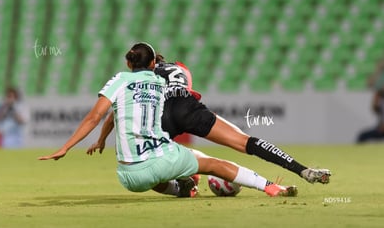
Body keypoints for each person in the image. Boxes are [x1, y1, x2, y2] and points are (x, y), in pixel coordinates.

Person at [39, 43, 297, 198]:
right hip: (162, 159)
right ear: (154, 63)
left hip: (129, 177)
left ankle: (182, 189)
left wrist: (68, 147)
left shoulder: (119, 82)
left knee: (151, 175)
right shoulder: (158, 80)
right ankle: (270, 186)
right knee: (212, 164)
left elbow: (98, 116)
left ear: (128, 63)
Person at [90, 54, 331, 185]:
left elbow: (115, 112)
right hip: (187, 106)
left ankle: (183, 184)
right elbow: (187, 88)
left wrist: (101, 139)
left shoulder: (141, 78)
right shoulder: (180, 67)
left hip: (161, 113)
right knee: (244, 142)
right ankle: (303, 171)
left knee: (154, 157)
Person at [358, 60, 384, 143]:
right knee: (362, 136)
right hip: (381, 127)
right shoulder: (380, 101)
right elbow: (375, 110)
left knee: (363, 136)